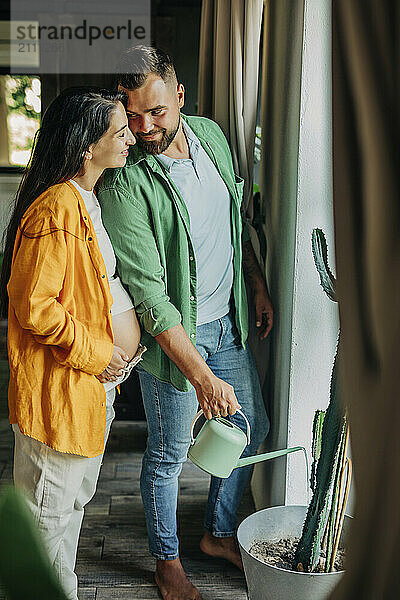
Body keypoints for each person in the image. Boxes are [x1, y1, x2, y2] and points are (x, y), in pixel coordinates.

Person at [98, 46, 273, 600]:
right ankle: (166, 562)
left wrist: (258, 283)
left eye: (155, 112)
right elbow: (151, 299)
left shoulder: (213, 137)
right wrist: (200, 377)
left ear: (179, 96)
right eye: (131, 114)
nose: (143, 127)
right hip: (175, 341)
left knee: (252, 430)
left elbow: (233, 218)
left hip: (229, 324)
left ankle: (218, 534)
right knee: (170, 453)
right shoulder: (125, 181)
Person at [0, 87, 143, 600]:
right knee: (45, 525)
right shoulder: (55, 208)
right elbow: (35, 306)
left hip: (88, 395)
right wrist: (102, 353)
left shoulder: (86, 200)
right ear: (88, 146)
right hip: (58, 398)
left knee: (70, 511)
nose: (131, 138)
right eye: (120, 131)